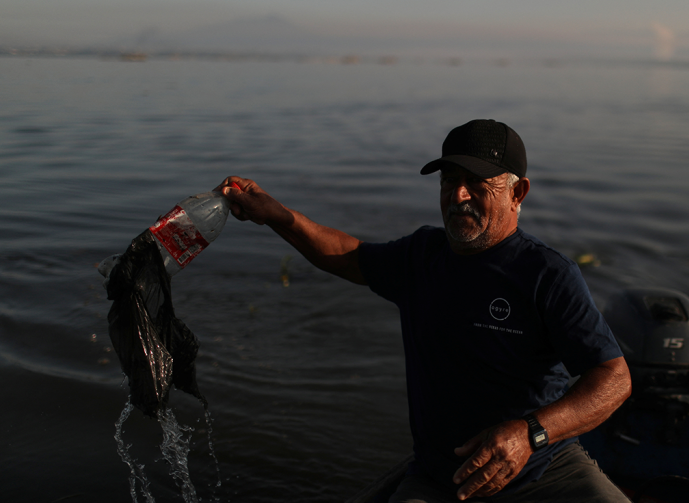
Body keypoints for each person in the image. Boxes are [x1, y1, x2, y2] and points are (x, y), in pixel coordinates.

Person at [218, 119, 632, 502]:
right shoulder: (421, 256)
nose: (458, 196)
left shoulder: (547, 274)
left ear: (517, 193)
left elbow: (614, 379)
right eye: (449, 181)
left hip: (545, 469)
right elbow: (346, 255)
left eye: (476, 183)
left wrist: (530, 434)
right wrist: (276, 216)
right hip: (443, 480)